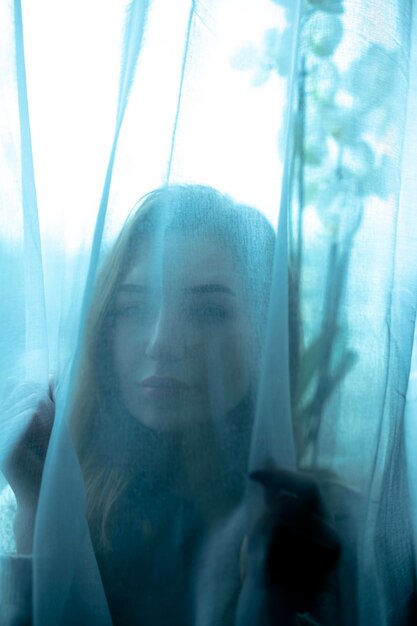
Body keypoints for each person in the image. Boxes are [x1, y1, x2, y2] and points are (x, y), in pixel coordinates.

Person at [1, 185, 340, 625]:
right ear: (103, 323)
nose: (162, 344)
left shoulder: (321, 526)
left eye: (209, 312)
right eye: (134, 308)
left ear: (270, 334)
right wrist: (37, 508)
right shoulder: (50, 494)